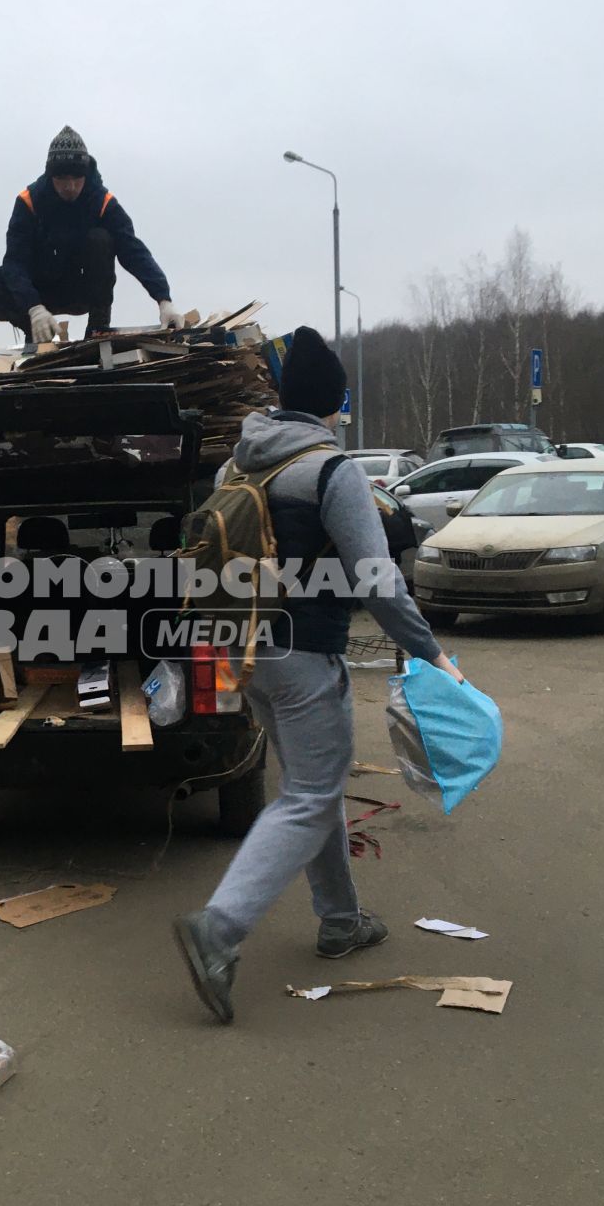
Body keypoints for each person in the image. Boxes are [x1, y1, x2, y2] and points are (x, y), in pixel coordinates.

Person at [173, 327, 466, 1025]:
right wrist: (432, 654)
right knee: (308, 793)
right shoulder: (330, 472)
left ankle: (340, 919)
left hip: (246, 654)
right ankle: (219, 928)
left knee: (315, 780)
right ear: (334, 401)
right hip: (305, 656)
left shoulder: (232, 470)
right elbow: (378, 581)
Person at [0, 125, 182, 342]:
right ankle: (37, 330)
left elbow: (133, 251)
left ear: (86, 175)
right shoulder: (29, 202)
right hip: (38, 290)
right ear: (51, 176)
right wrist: (33, 307)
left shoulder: (102, 202)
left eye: (77, 178)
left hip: (79, 289)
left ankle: (98, 328)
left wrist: (163, 298)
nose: (70, 186)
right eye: (62, 179)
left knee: (101, 239)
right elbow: (15, 262)